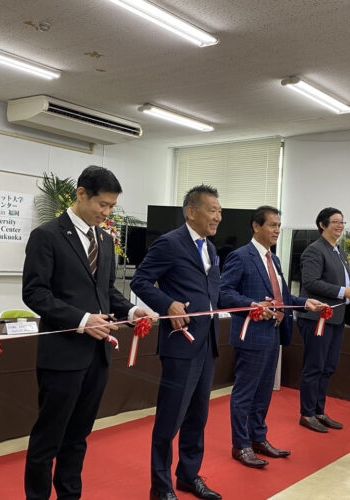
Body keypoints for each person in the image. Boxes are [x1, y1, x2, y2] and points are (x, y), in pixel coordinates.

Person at [23, 166, 149, 500]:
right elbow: (35, 293)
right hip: (62, 354)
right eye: (103, 205)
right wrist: (82, 320)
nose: (107, 213)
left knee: (78, 437)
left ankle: (69, 495)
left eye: (112, 207)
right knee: (48, 439)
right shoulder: (47, 236)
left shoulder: (105, 240)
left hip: (98, 357)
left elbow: (107, 292)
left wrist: (133, 311)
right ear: (81, 194)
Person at [131, 185, 222, 500]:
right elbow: (140, 280)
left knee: (198, 417)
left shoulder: (211, 249)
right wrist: (167, 305)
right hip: (180, 346)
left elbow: (214, 294)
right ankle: (161, 487)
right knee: (170, 419)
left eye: (220, 212)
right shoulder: (169, 244)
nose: (218, 217)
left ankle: (188, 476)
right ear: (192, 211)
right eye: (212, 210)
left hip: (207, 344)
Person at [220, 206, 325, 469]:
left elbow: (283, 299)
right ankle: (241, 445)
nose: (277, 230)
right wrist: (252, 304)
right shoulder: (240, 257)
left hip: (274, 334)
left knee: (264, 393)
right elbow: (223, 293)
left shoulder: (274, 259)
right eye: (272, 225)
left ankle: (259, 439)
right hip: (251, 334)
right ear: (256, 227)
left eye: (279, 225)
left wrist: (305, 303)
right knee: (245, 393)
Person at [296, 207, 350, 432]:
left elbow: (344, 281)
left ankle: (319, 411)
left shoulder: (338, 251)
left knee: (328, 366)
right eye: (335, 222)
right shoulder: (314, 250)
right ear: (322, 225)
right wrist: (344, 292)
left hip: (336, 318)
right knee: (314, 366)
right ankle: (306, 413)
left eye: (342, 222)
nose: (340, 226)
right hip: (317, 318)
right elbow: (311, 282)